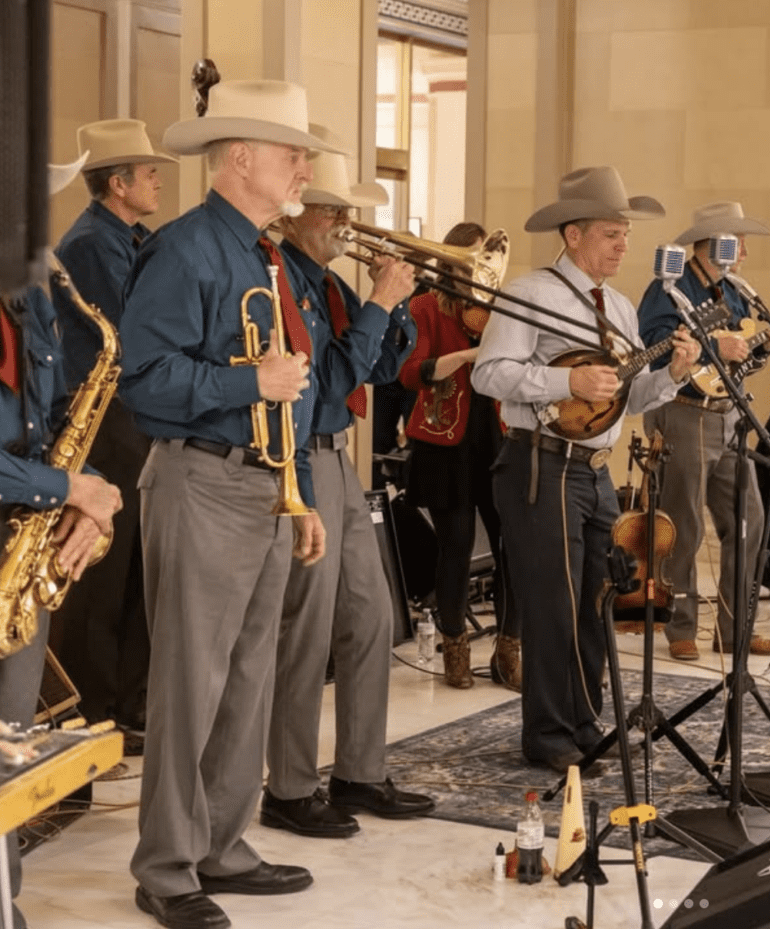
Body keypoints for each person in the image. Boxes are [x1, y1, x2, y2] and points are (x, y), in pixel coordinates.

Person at [118, 80, 332, 929]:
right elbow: (144, 382)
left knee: (249, 675)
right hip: (201, 479)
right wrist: (252, 379)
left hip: (263, 483)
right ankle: (166, 866)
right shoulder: (184, 250)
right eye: (293, 153)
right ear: (240, 157)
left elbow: (298, 394)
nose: (304, 167)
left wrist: (302, 492)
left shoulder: (264, 253)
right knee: (190, 681)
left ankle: (221, 841)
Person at [472, 166, 701, 773]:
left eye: (625, 234)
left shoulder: (623, 309)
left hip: (595, 471)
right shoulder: (529, 292)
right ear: (572, 235)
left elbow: (627, 395)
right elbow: (488, 373)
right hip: (539, 466)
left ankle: (584, 720)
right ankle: (548, 734)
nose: (624, 245)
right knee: (553, 602)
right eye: (610, 234)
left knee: (598, 599)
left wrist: (672, 375)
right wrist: (563, 378)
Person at [260, 130, 434, 840]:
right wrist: (379, 302)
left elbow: (383, 370)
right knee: (306, 627)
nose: (343, 224)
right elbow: (330, 376)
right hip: (301, 455)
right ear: (295, 211)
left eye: (345, 212)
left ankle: (360, 769)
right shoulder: (279, 274)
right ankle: (291, 785)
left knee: (372, 614)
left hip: (341, 455)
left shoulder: (330, 282)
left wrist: (391, 304)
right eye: (330, 210)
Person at [0, 153, 124, 929]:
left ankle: (0, 906)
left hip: (18, 539)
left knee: (10, 747)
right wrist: (66, 489)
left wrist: (88, 491)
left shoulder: (32, 290)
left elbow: (53, 421)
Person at [51, 119, 176, 733]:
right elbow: (134, 334)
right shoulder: (90, 245)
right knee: (107, 573)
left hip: (130, 415)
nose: (157, 181)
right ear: (118, 184)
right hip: (105, 420)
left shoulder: (128, 237)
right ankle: (96, 709)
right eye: (149, 173)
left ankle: (131, 705)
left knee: (136, 570)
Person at [638, 201, 770, 661]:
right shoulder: (671, 286)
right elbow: (654, 346)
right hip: (683, 412)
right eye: (736, 243)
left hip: (728, 414)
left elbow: (737, 359)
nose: (743, 252)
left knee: (749, 521)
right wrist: (712, 344)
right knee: (685, 523)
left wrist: (759, 349)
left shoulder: (734, 293)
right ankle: (679, 626)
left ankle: (733, 628)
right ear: (713, 243)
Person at [399, 221, 519, 690]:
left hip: (497, 434)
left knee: (512, 546)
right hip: (446, 439)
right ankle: (455, 649)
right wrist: (471, 358)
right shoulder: (426, 306)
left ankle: (510, 650)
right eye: (470, 259)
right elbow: (412, 372)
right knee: (456, 547)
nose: (479, 269)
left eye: (485, 260)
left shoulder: (501, 308)